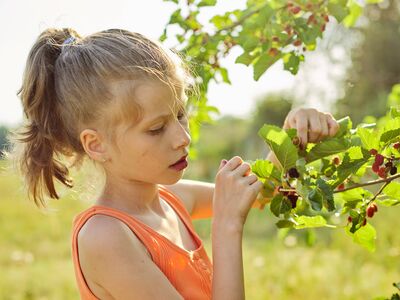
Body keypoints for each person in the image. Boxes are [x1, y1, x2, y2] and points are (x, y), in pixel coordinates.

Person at [9, 27, 340, 299]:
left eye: (180, 114)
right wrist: (226, 226)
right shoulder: (105, 236)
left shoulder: (173, 199)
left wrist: (292, 136)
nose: (183, 137)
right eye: (156, 129)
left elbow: (265, 193)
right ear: (96, 145)